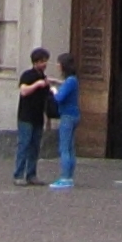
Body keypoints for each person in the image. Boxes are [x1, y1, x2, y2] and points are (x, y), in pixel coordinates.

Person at [13, 46, 52, 184]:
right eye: (42, 61)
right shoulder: (28, 75)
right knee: (24, 145)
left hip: (38, 117)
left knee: (35, 147)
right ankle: (18, 175)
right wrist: (37, 85)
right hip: (26, 117)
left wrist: (48, 118)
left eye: (45, 61)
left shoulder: (43, 78)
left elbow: (45, 99)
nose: (45, 64)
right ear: (35, 62)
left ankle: (31, 174)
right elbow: (23, 91)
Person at [46, 53, 79, 192]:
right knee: (70, 148)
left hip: (67, 116)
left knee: (64, 148)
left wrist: (53, 90)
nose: (57, 66)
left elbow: (59, 97)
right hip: (74, 115)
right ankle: (69, 176)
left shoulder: (70, 81)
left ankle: (65, 177)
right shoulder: (73, 80)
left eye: (59, 63)